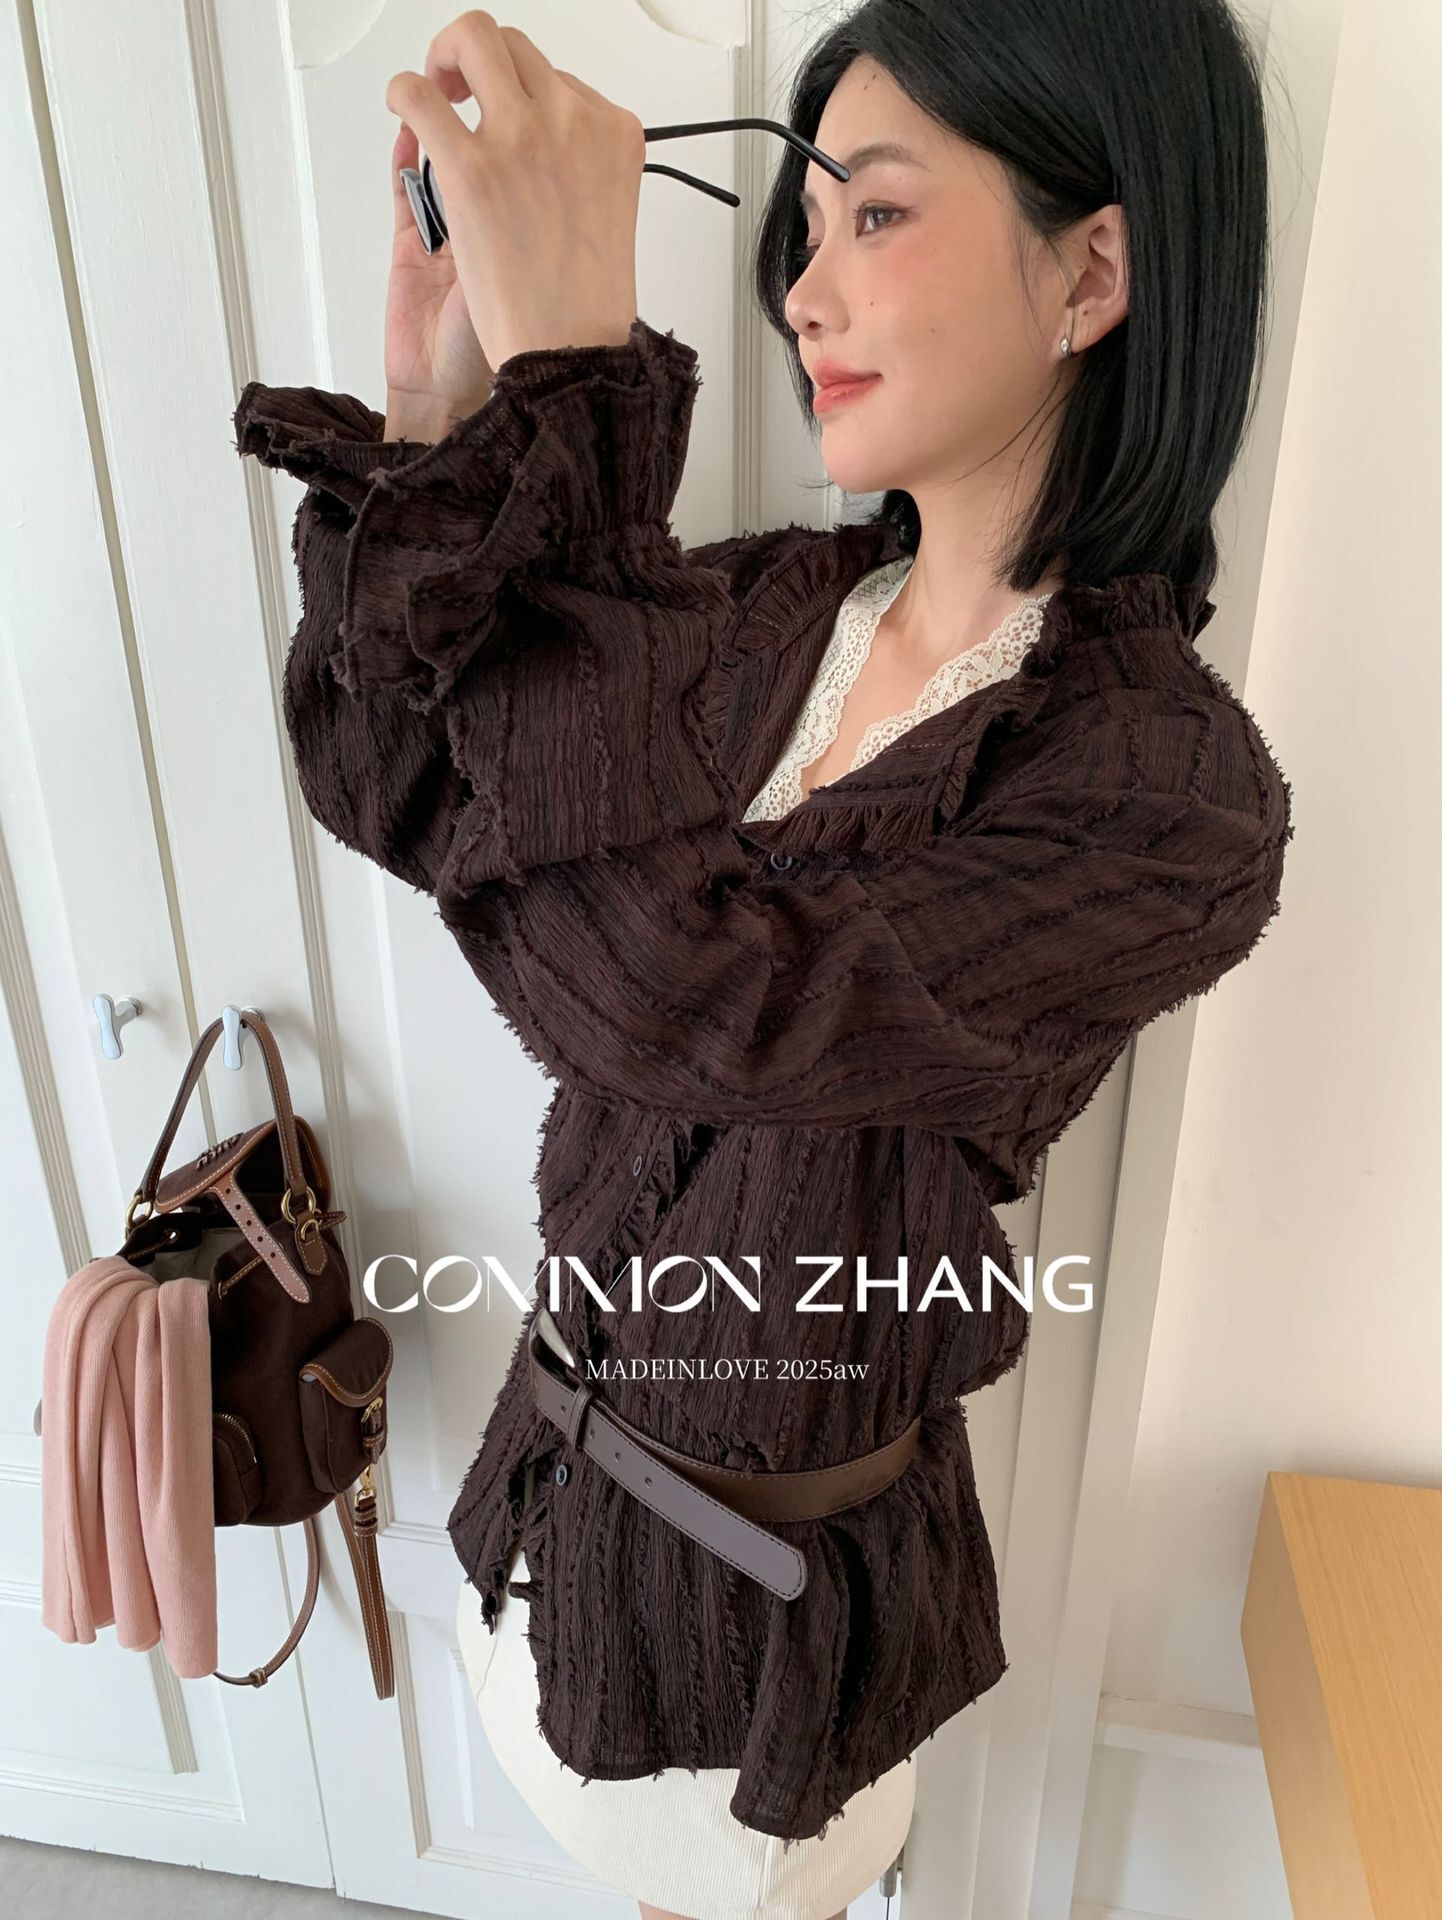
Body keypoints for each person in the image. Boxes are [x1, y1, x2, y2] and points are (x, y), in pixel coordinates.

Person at [231, 4, 1293, 1916]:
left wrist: (577, 388)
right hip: (541, 1524)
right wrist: (439, 415)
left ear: (1090, 275)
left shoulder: (1159, 792)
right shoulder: (759, 610)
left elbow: (691, 1000)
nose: (803, 296)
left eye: (873, 216)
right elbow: (390, 777)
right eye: (802, 232)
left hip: (755, 1634)